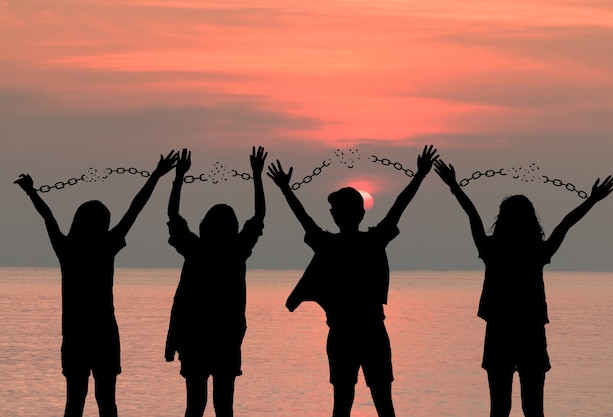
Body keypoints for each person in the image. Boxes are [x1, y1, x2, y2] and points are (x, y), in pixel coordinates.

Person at [434, 159, 613, 417]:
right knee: (533, 409)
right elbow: (566, 224)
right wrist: (592, 200)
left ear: (502, 220)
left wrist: (454, 185)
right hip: (531, 330)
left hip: (499, 330)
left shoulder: (491, 249)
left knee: (499, 409)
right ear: (532, 220)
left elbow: (472, 214)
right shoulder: (537, 251)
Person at [267, 145, 439, 417]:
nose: (333, 212)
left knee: (344, 404)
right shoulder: (373, 242)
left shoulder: (328, 245)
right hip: (371, 331)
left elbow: (304, 219)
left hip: (344, 333)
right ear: (361, 213)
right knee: (383, 403)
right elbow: (399, 207)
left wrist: (285, 189)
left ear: (337, 215)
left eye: (334, 209)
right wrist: (419, 175)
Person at [14, 151, 178, 417]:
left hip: (75, 334)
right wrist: (157, 176)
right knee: (107, 402)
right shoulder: (106, 245)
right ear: (104, 224)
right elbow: (135, 209)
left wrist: (31, 192)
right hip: (104, 333)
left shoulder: (66, 248)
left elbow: (49, 217)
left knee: (74, 403)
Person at [165, 147, 267, 417]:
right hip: (227, 338)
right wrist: (257, 176)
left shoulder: (195, 250)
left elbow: (174, 217)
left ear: (204, 226)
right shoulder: (237, 251)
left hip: (194, 337)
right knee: (225, 406)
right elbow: (258, 218)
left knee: (194, 406)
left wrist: (178, 179)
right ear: (233, 228)